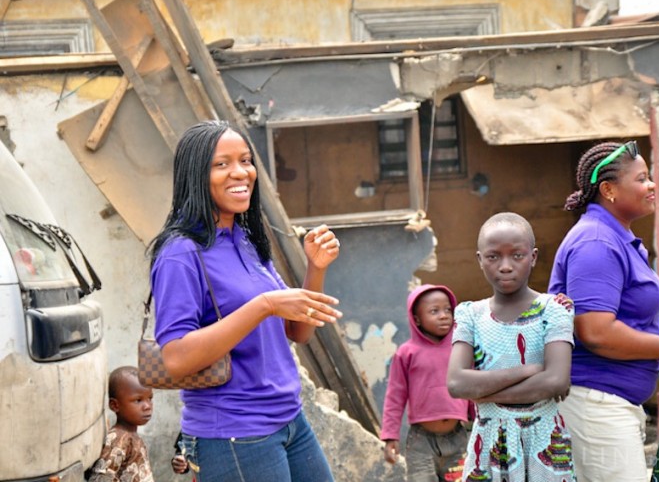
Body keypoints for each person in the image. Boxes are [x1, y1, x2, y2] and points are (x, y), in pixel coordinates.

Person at [148, 120, 342, 482]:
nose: (240, 172)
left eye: (246, 160)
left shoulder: (246, 239)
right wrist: (263, 305)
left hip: (289, 420)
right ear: (195, 176)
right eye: (222, 164)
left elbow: (297, 333)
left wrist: (314, 268)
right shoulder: (180, 254)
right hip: (234, 433)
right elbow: (174, 358)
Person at [548, 140, 659, 482]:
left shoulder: (617, 238)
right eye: (641, 178)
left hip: (613, 404)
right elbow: (596, 332)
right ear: (609, 190)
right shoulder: (596, 243)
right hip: (596, 404)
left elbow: (626, 321)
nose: (651, 185)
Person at [447, 212, 576, 482]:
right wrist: (529, 370)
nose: (505, 266)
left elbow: (555, 381)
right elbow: (457, 383)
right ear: (480, 260)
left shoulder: (554, 311)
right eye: (493, 256)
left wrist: (483, 393)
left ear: (533, 257)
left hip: (543, 442)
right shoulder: (470, 315)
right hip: (489, 444)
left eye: (517, 255)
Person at [380, 284, 470, 482]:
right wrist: (390, 435)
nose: (444, 315)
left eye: (448, 310)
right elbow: (395, 395)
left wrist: (478, 418)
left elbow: (470, 382)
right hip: (421, 441)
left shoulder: (460, 347)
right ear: (417, 320)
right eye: (434, 311)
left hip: (458, 438)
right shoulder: (406, 353)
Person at [88, 366, 154, 482]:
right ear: (115, 405)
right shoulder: (119, 441)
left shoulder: (131, 437)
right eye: (138, 400)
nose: (148, 406)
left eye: (150, 398)